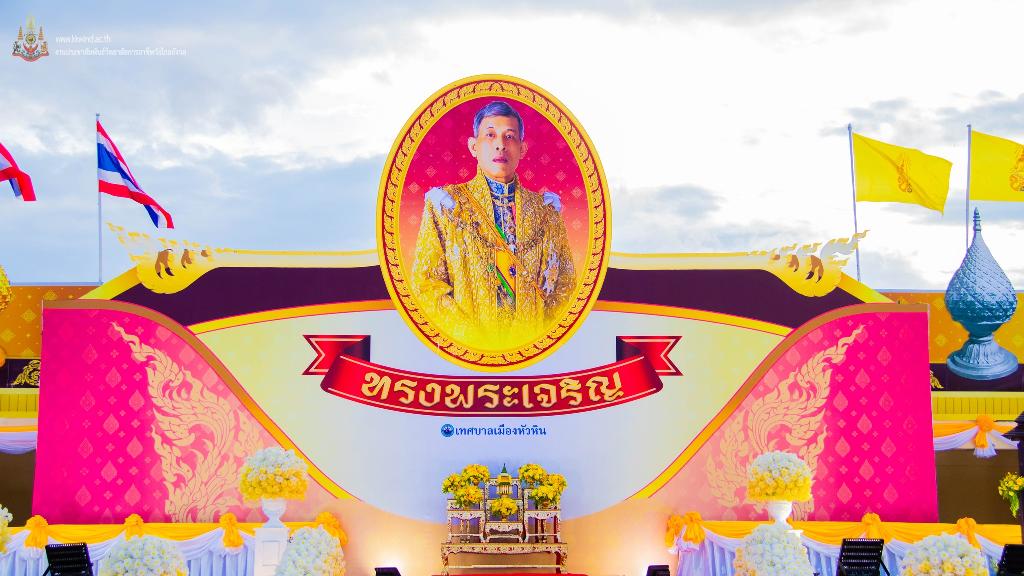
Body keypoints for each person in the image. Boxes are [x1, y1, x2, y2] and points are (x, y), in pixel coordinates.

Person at [411, 100, 576, 348]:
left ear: (522, 148)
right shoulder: (446, 205)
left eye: (509, 136)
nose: (500, 144)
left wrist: (539, 338)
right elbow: (426, 285)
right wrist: (473, 339)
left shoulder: (546, 211)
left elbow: (566, 285)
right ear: (473, 146)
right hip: (469, 350)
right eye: (490, 135)